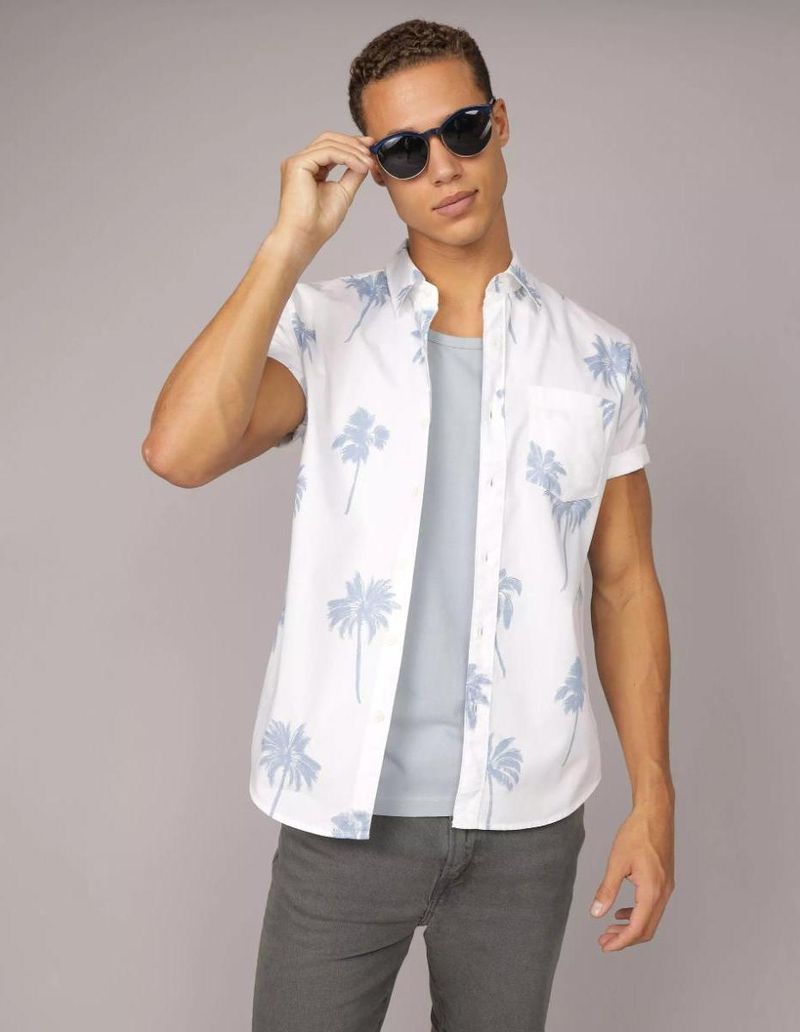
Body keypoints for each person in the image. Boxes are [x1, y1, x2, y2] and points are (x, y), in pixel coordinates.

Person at [142, 17, 674, 1032]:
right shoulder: (324, 326)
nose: (441, 167)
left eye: (460, 129)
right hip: (344, 826)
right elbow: (178, 451)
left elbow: (624, 585)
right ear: (376, 171)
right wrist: (289, 244)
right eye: (402, 150)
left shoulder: (598, 357)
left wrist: (653, 801)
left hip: (524, 830)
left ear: (499, 122)